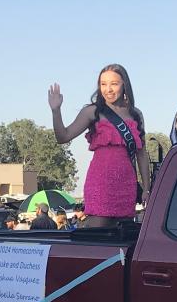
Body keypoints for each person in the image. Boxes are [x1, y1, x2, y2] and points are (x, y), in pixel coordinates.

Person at [49, 64, 151, 227]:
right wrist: (56, 111)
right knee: (99, 232)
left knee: (122, 237)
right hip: (100, 183)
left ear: (124, 84)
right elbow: (63, 137)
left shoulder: (136, 114)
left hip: (126, 184)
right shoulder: (92, 112)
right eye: (103, 84)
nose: (108, 89)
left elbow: (142, 154)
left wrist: (146, 188)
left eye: (114, 84)